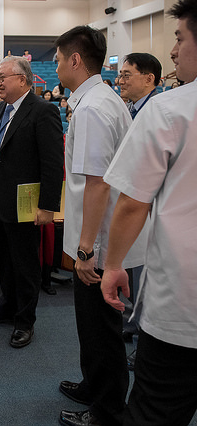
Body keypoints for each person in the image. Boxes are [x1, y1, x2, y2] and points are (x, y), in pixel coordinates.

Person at [101, 3, 197, 425]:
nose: (174, 51)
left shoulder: (171, 109)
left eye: (179, 38)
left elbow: (133, 201)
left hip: (183, 301)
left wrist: (113, 263)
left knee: (155, 411)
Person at [54, 26, 148, 426]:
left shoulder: (92, 107)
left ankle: (107, 410)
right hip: (101, 236)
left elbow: (96, 183)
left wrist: (86, 248)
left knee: (100, 327)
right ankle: (95, 384)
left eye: (58, 59)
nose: (56, 66)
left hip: (98, 241)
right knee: (92, 324)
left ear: (75, 60)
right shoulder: (101, 99)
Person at [0, 56, 64, 349]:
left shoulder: (43, 111)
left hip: (26, 204)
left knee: (24, 264)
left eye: (2, 78)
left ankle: (25, 321)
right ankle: (7, 309)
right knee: (4, 261)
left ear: (22, 79)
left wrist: (48, 206)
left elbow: (52, 163)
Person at [115, 52, 162, 369]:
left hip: (151, 209)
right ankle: (132, 324)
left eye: (127, 75)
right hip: (133, 203)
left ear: (149, 79)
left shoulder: (158, 113)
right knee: (134, 273)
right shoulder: (132, 110)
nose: (121, 80)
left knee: (147, 276)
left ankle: (146, 344)